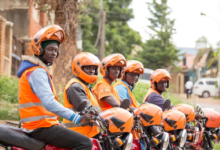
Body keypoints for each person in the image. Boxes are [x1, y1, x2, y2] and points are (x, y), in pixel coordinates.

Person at [17, 25, 93, 149]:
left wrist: (58, 123)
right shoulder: (37, 72)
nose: (54, 53)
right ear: (39, 50)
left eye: (56, 50)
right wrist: (77, 118)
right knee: (85, 143)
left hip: (40, 125)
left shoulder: (36, 70)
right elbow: (49, 103)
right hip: (40, 127)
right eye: (50, 49)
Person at [63, 52, 102, 138]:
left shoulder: (84, 85)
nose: (92, 70)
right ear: (78, 68)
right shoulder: (75, 86)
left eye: (93, 68)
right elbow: (88, 110)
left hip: (89, 133)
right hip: (79, 134)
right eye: (88, 68)